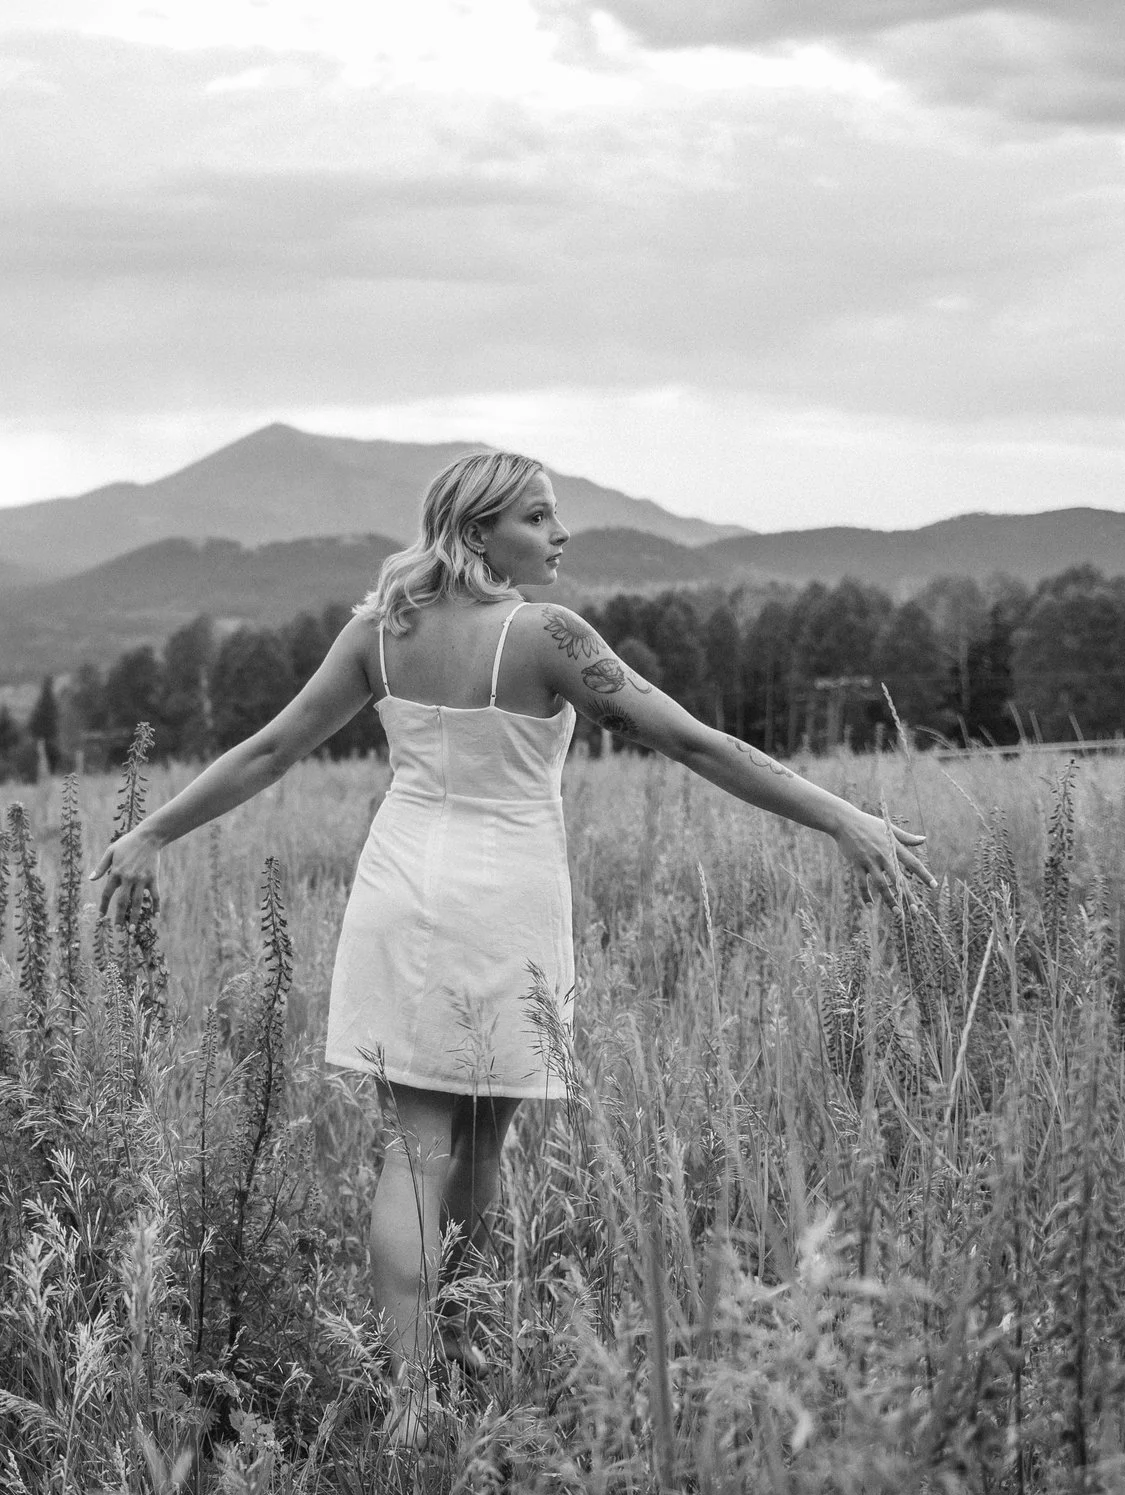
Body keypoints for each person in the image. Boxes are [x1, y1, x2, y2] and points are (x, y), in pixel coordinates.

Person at [87, 450, 930, 1443]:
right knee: (470, 1141)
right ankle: (429, 1375)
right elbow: (693, 741)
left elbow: (271, 749)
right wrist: (840, 816)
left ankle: (430, 1368)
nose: (559, 532)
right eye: (537, 516)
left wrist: (152, 831)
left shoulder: (379, 631)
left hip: (401, 892)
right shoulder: (547, 636)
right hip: (506, 901)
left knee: (430, 1144)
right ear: (478, 530)